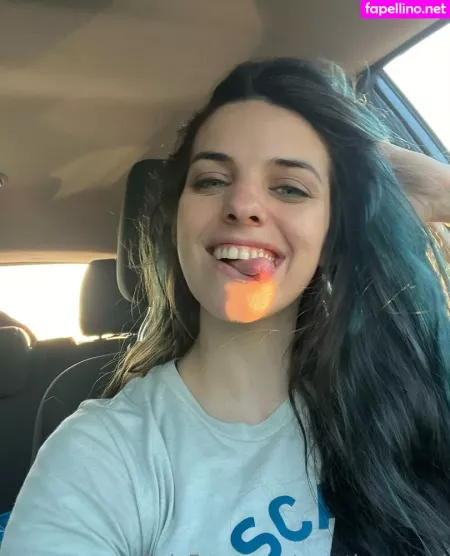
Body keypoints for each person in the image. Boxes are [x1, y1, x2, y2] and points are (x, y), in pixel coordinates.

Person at [1, 58, 449, 556]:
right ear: (177, 220)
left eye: (290, 188)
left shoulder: (405, 400)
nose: (242, 205)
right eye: (212, 180)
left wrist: (441, 190)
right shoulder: (103, 454)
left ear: (331, 236)